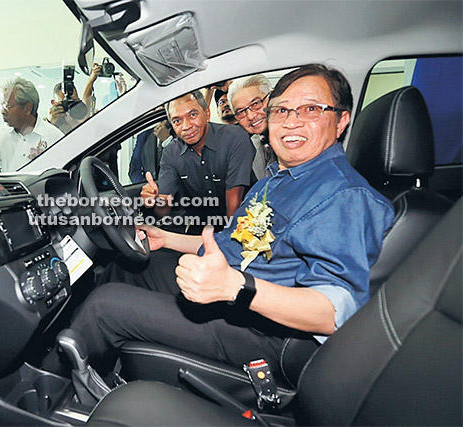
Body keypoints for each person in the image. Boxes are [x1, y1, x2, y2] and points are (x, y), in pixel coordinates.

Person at [61, 64, 395, 378]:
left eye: (310, 109)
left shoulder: (345, 195)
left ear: (340, 121)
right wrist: (166, 238)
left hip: (260, 330)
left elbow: (336, 313)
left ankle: (57, 390)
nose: (291, 122)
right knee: (129, 267)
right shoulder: (278, 180)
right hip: (232, 294)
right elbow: (233, 242)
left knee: (104, 307)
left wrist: (235, 286)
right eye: (280, 110)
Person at [141, 90, 253, 226]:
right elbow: (163, 209)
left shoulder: (234, 137)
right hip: (199, 229)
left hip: (243, 227)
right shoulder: (171, 152)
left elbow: (234, 204)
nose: (186, 126)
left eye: (192, 115)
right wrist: (153, 200)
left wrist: (225, 244)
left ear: (207, 114)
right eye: (177, 121)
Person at [0, 77, 63, 174]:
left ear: (28, 108)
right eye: (2, 105)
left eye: (8, 106)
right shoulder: (0, 135)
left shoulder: (55, 137)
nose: (3, 111)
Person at [228, 75, 277, 181]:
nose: (250, 116)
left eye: (255, 104)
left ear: (273, 97)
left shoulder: (298, 135)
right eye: (241, 112)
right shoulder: (248, 150)